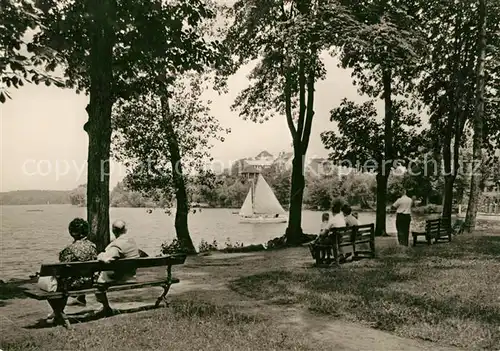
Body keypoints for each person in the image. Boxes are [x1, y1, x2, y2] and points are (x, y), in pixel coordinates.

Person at [47, 218, 97, 322]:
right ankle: (58, 312)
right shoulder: (93, 247)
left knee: (50, 284)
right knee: (64, 280)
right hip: (90, 282)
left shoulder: (69, 249)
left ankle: (58, 313)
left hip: (73, 285)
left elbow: (62, 266)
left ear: (72, 232)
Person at [94, 220, 140, 315]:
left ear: (113, 230)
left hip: (121, 278)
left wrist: (101, 254)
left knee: (97, 280)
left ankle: (106, 307)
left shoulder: (116, 245)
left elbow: (106, 259)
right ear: (125, 230)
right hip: (131, 275)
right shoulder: (132, 242)